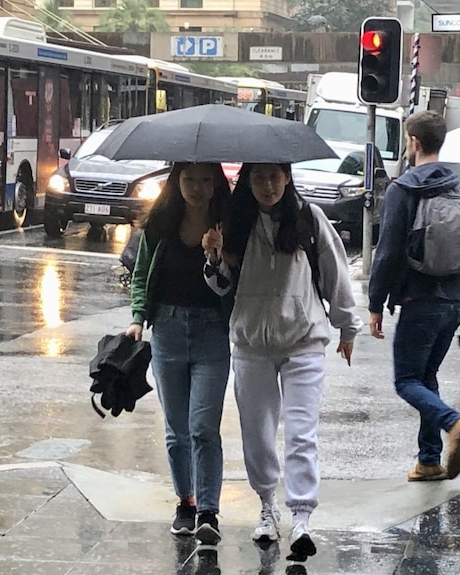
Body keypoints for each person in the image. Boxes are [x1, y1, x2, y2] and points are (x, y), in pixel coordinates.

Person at [202, 163, 362, 560]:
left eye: (275, 177)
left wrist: (347, 328)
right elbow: (222, 286)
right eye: (259, 178)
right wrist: (213, 258)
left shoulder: (308, 218)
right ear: (248, 183)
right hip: (251, 344)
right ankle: (266, 505)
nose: (268, 185)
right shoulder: (234, 224)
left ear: (287, 177)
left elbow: (335, 274)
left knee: (301, 434)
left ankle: (302, 516)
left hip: (303, 341)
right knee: (257, 434)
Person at [368, 110, 460, 483]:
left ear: (415, 142)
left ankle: (453, 423)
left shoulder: (402, 189)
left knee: (406, 381)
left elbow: (387, 252)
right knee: (427, 377)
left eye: (408, 140)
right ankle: (429, 459)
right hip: (454, 299)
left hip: (419, 300)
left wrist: (375, 304)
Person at [125, 162, 232, 545]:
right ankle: (185, 503)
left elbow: (230, 290)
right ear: (177, 182)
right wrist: (138, 317)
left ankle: (208, 510)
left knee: (203, 426)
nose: (197, 188)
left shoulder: (228, 225)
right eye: (189, 179)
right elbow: (140, 276)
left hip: (212, 333)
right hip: (167, 330)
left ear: (216, 184)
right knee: (177, 432)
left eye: (205, 180)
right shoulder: (160, 225)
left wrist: (216, 257)